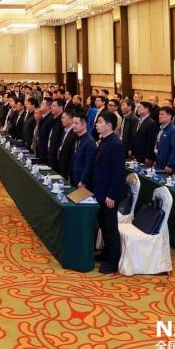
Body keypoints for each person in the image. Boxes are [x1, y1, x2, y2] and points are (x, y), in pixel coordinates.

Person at [91, 114, 127, 274]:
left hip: (109, 194)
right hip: (100, 191)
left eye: (100, 122)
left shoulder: (116, 144)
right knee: (103, 225)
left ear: (109, 125)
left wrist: (111, 195)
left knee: (110, 228)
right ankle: (106, 253)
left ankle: (113, 261)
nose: (97, 125)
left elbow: (118, 173)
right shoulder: (104, 141)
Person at [70, 114, 97, 189]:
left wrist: (83, 181)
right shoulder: (76, 138)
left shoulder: (90, 142)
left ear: (84, 125)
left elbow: (89, 164)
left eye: (76, 123)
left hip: (82, 182)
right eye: (73, 123)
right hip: (74, 177)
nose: (73, 125)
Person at [155, 106, 175, 174]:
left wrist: (171, 165)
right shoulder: (161, 128)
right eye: (159, 114)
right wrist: (156, 160)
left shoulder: (174, 130)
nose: (159, 116)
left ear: (169, 116)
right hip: (159, 163)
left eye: (162, 114)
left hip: (168, 166)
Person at [52, 110, 76, 176]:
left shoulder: (74, 133)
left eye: (63, 118)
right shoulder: (64, 131)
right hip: (60, 163)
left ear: (70, 119)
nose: (61, 120)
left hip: (67, 167)